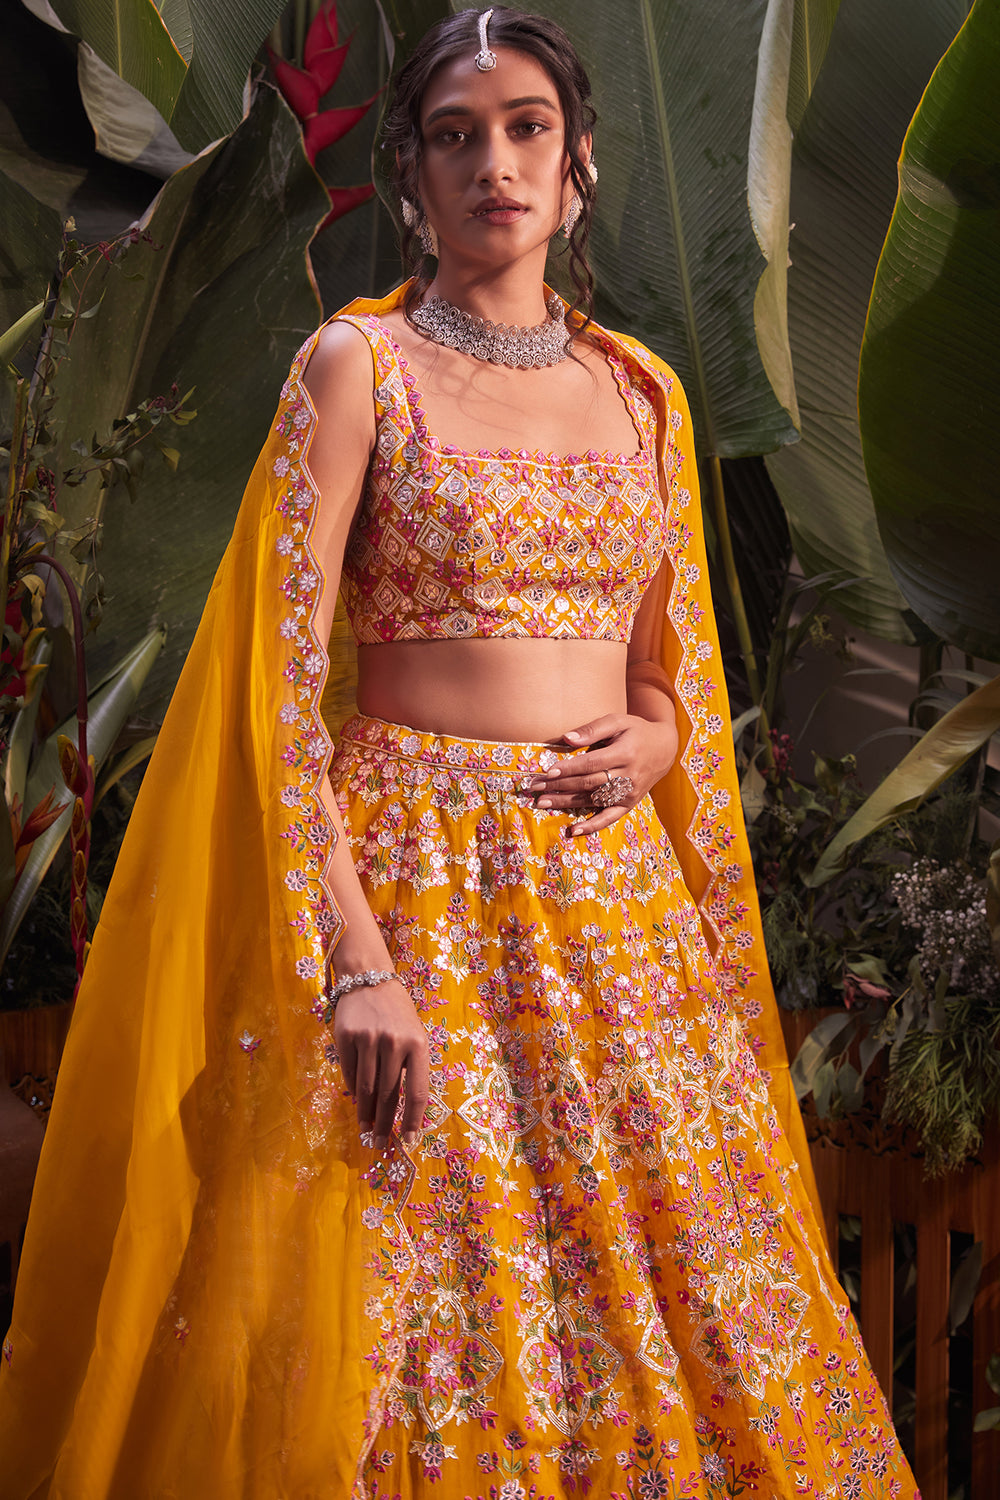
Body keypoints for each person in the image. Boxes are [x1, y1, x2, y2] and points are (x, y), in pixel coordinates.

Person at [0, 8, 917, 1498]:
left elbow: (665, 675)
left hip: (615, 912)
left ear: (579, 164)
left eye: (528, 128)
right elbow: (278, 696)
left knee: (684, 1286)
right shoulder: (358, 367)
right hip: (413, 891)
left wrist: (659, 738)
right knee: (423, 1292)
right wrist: (355, 964)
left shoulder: (644, 391)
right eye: (456, 134)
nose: (497, 162)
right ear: (413, 176)